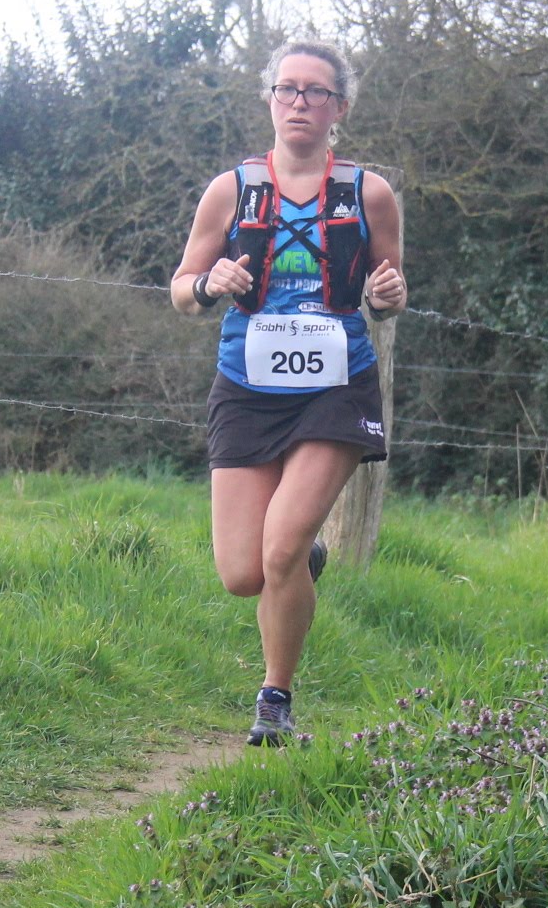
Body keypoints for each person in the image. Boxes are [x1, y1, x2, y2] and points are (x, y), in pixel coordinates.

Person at [172, 40, 407, 746]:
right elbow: (181, 290)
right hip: (247, 385)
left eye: (316, 92)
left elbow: (387, 294)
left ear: (340, 107)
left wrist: (387, 296)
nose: (299, 102)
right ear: (270, 99)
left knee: (278, 551)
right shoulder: (231, 190)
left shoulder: (368, 193)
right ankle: (304, 558)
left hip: (335, 386)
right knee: (244, 573)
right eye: (287, 89)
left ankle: (275, 699)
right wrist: (209, 282)